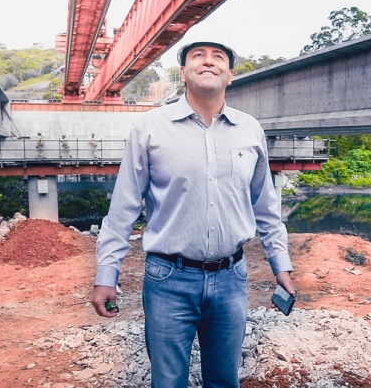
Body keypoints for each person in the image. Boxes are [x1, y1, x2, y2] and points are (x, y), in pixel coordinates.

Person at [90, 40, 295, 388]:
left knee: (224, 380)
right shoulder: (150, 128)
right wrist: (106, 275)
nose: (208, 62)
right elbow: (123, 207)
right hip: (168, 280)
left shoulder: (249, 130)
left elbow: (265, 205)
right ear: (183, 72)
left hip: (231, 279)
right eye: (198, 56)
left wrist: (281, 265)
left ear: (230, 75)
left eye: (218, 57)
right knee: (168, 381)